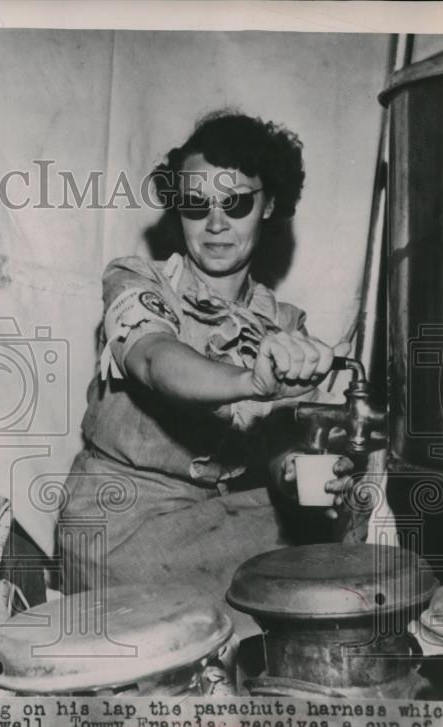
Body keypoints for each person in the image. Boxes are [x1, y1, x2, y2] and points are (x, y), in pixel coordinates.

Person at [58, 111, 355, 636]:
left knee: (353, 518)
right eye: (196, 204)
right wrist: (251, 383)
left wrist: (297, 473)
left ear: (270, 205)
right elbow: (153, 359)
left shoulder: (286, 326)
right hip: (121, 526)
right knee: (299, 593)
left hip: (215, 518)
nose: (215, 223)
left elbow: (281, 448)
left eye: (236, 202)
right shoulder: (138, 280)